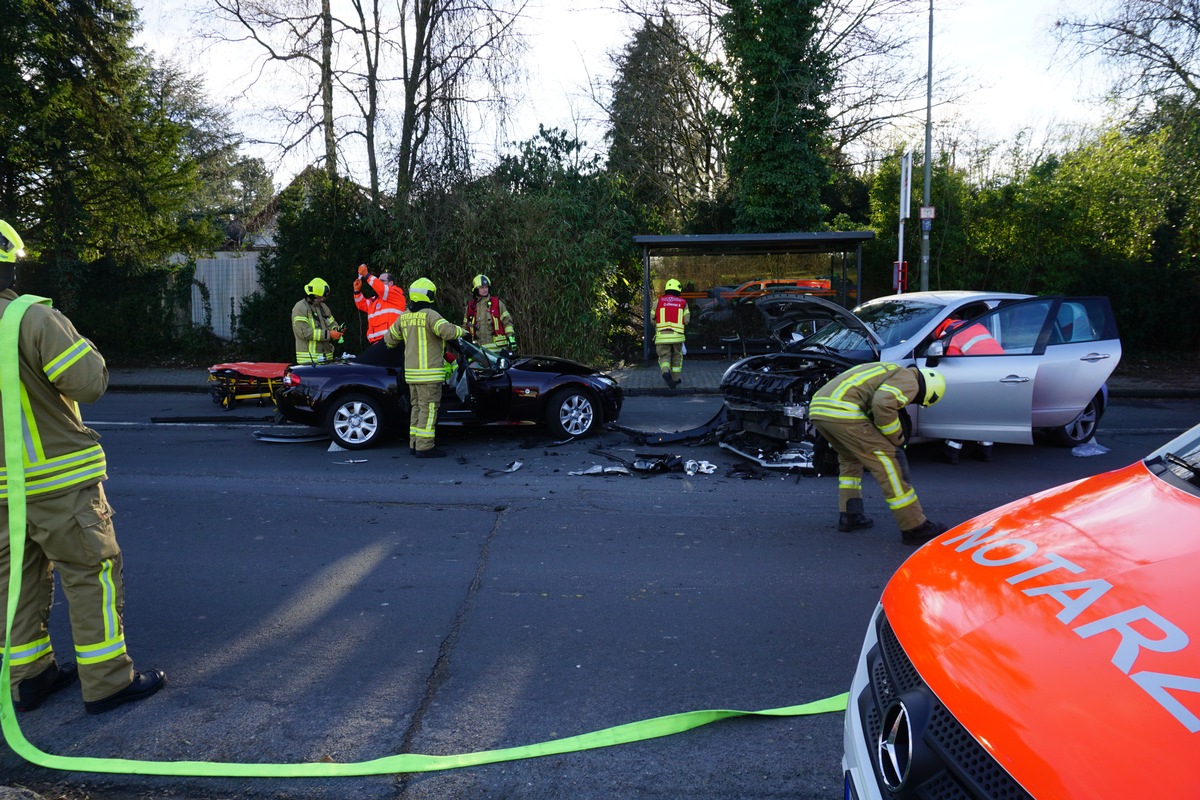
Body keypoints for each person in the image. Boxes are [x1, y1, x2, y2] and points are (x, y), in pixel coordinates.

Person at [0, 219, 166, 714]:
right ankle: (108, 682)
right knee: (90, 575)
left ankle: (29, 678)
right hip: (58, 485)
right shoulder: (28, 318)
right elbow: (88, 382)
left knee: (14, 586)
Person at [809, 362, 949, 545]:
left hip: (819, 408)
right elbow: (883, 403)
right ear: (929, 391)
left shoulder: (888, 369)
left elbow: (873, 399)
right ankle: (915, 526)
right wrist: (897, 439)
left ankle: (851, 515)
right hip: (842, 410)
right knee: (889, 461)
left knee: (850, 460)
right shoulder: (910, 379)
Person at [385, 278, 464, 458]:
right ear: (429, 295)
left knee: (417, 408)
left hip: (411, 375)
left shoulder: (404, 317)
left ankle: (414, 443)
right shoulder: (431, 315)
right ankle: (425, 447)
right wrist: (463, 331)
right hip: (429, 375)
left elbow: (389, 341)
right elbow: (448, 332)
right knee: (428, 410)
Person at [932, 310, 1004, 463]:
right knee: (984, 413)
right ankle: (985, 452)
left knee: (962, 413)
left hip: (979, 372)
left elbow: (951, 362)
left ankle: (951, 453)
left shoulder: (948, 332)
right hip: (999, 370)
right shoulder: (971, 325)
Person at [292, 277, 342, 364]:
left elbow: (332, 324)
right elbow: (303, 333)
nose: (322, 300)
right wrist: (329, 334)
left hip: (327, 359)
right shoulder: (300, 307)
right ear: (311, 295)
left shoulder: (324, 307)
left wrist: (337, 330)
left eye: (323, 298)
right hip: (309, 361)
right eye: (319, 298)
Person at [352, 264, 406, 345]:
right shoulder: (375, 299)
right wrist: (357, 291)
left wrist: (367, 275)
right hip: (376, 343)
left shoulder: (396, 293)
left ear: (391, 283)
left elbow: (381, 288)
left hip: (392, 341)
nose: (378, 282)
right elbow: (361, 304)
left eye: (382, 281)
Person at [464, 274, 517, 355]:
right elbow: (465, 326)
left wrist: (511, 338)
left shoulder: (497, 303)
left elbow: (507, 322)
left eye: (486, 287)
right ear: (475, 290)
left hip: (499, 351)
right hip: (479, 352)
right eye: (482, 287)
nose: (485, 290)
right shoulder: (470, 307)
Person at [654, 278, 690, 389]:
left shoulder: (658, 301)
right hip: (677, 337)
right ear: (678, 290)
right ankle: (675, 379)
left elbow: (652, 319)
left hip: (662, 337)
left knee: (664, 356)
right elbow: (687, 320)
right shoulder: (683, 302)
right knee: (676, 357)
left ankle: (665, 372)